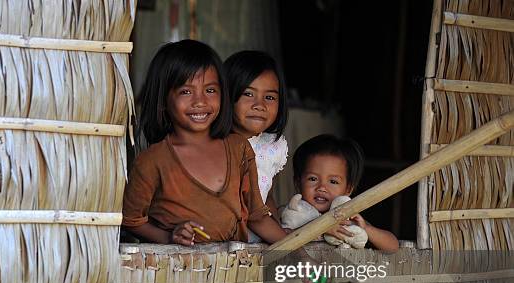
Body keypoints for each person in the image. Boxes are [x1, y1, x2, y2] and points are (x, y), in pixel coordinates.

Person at [122, 40, 287, 246]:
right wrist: (169, 237)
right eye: (186, 91)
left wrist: (302, 257)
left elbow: (257, 217)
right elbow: (131, 221)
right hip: (176, 273)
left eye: (210, 90)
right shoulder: (152, 161)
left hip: (232, 272)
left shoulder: (239, 149)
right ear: (163, 99)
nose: (200, 101)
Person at [282, 134, 399, 252]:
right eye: (313, 179)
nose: (322, 187)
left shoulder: (347, 219)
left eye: (333, 181)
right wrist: (320, 228)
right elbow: (281, 239)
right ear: (297, 183)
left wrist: (365, 228)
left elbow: (393, 246)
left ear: (348, 189)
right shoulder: (293, 215)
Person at [224, 51, 288, 221]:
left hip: (261, 240)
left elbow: (267, 198)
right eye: (248, 94)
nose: (259, 105)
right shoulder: (216, 145)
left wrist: (279, 233)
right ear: (227, 95)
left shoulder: (273, 147)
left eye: (269, 97)